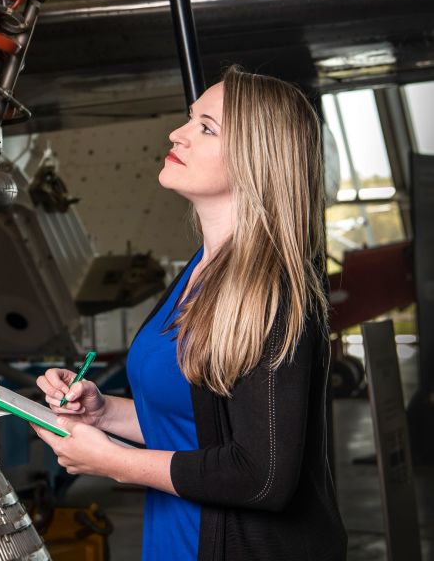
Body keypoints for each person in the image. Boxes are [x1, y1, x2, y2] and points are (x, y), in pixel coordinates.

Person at [31, 66, 347, 560]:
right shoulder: (200, 270)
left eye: (206, 127)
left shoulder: (275, 293)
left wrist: (117, 464)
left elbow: (262, 476)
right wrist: (104, 412)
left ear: (254, 158)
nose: (177, 133)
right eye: (189, 119)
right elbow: (204, 425)